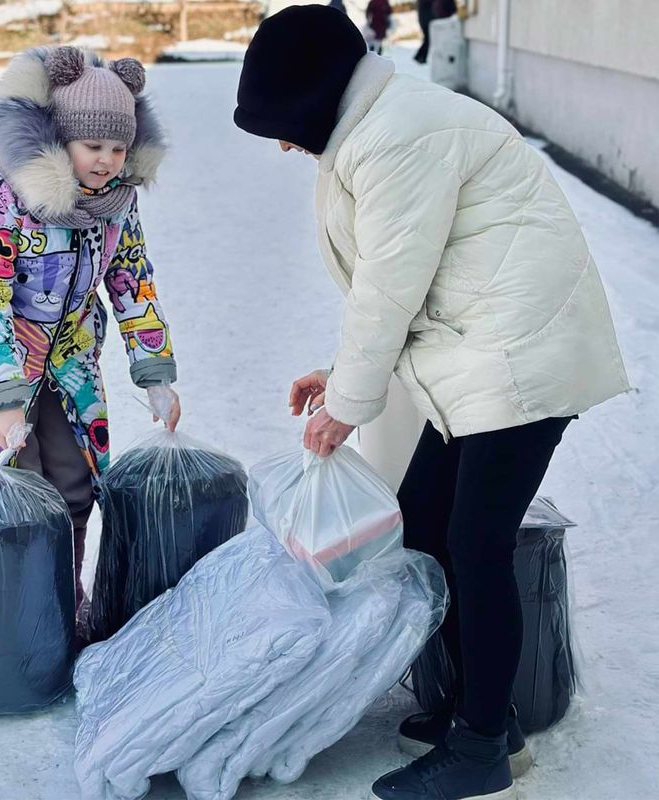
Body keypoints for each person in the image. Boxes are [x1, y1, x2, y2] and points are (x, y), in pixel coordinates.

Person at [234, 7, 629, 800]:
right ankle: (477, 712)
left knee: (475, 542)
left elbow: (389, 288)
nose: (282, 144)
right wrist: (342, 370)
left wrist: (348, 401)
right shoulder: (380, 126)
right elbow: (399, 281)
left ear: (315, 98)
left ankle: (486, 743)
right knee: (425, 518)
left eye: (282, 125)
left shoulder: (399, 135)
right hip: (485, 349)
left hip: (522, 359)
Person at [0, 45, 180, 619]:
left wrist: (154, 370)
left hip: (70, 369)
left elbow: (131, 278)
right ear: (59, 140)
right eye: (94, 147)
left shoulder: (117, 203)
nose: (108, 160)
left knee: (73, 486)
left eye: (119, 147)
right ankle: (4, 626)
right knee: (16, 492)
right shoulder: (2, 193)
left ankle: (60, 612)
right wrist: (4, 399)